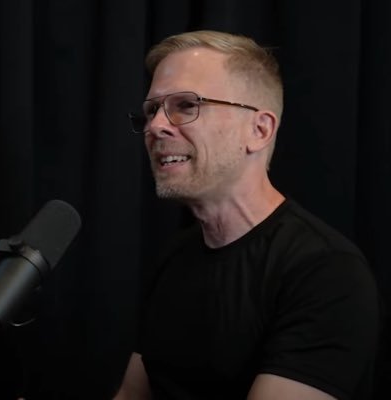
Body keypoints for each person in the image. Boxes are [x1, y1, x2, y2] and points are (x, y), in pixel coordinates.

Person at [113, 30, 379, 400]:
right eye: (152, 110)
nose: (156, 126)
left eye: (186, 105)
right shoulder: (176, 256)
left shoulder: (326, 272)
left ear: (259, 130)